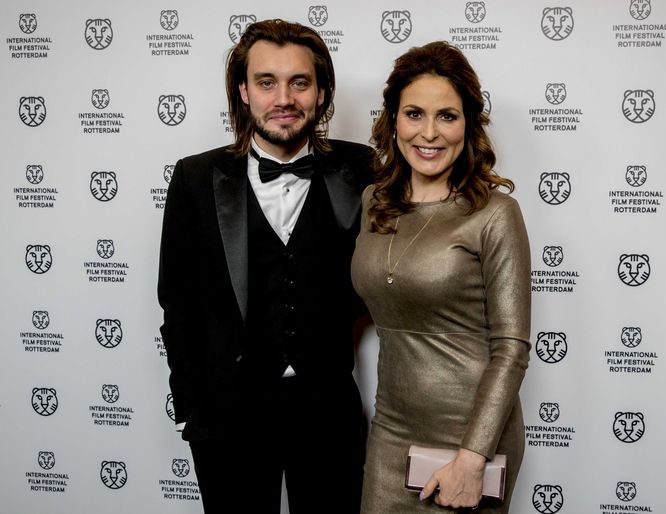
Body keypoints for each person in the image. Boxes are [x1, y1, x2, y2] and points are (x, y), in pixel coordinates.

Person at [157, 19, 372, 514]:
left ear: (322, 92)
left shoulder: (361, 169)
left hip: (328, 412)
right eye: (267, 82)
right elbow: (177, 302)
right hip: (226, 415)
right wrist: (191, 408)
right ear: (243, 91)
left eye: (300, 82)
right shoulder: (195, 177)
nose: (284, 98)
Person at [351, 41, 531, 513]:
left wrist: (472, 459)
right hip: (390, 430)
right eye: (414, 114)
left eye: (447, 116)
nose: (429, 133)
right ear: (393, 120)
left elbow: (511, 348)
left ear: (468, 124)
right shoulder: (372, 202)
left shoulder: (495, 213)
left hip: (471, 438)